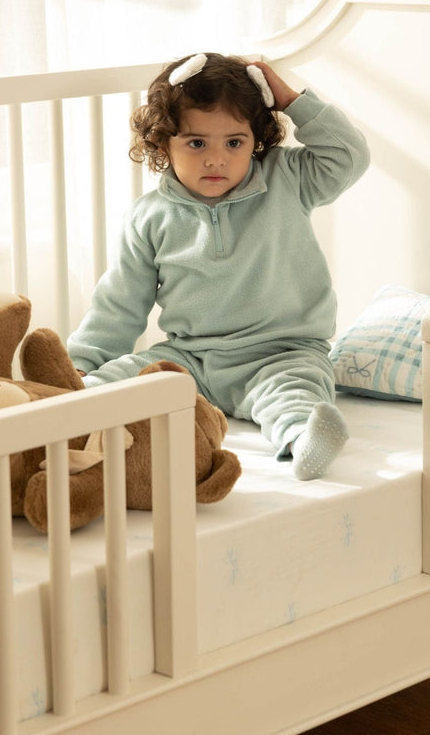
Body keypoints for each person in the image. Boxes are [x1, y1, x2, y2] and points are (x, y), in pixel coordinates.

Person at [67, 52, 370, 480]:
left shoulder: (288, 179)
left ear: (255, 140)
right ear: (161, 143)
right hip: (190, 357)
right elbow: (119, 304)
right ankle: (56, 418)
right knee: (119, 379)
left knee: (293, 395)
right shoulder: (150, 216)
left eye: (234, 142)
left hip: (280, 353)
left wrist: (289, 100)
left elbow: (349, 155)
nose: (217, 159)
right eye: (196, 143)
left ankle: (303, 439)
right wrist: (81, 364)